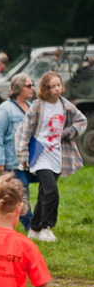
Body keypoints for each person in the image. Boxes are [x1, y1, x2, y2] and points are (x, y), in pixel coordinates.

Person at [14, 71, 88, 242]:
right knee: (52, 191)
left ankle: (34, 228)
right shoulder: (38, 106)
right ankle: (46, 227)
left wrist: (67, 132)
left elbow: (81, 120)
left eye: (58, 85)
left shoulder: (65, 105)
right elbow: (24, 130)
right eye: (52, 86)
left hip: (57, 155)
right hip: (40, 154)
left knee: (44, 193)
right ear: (46, 88)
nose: (56, 89)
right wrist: (23, 154)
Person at [0, 74, 36, 230]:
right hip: (7, 159)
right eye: (29, 86)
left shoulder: (31, 107)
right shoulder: (5, 109)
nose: (33, 88)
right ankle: (31, 226)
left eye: (32, 84)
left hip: (25, 159)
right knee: (22, 189)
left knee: (45, 182)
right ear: (19, 88)